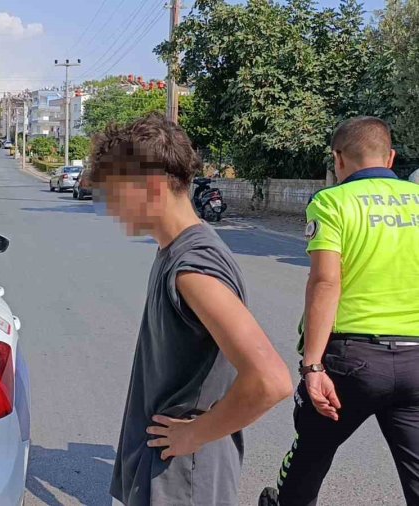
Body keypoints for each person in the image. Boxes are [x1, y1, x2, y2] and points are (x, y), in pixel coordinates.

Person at [91, 113, 292, 506]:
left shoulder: (193, 268)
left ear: (150, 188)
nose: (111, 209)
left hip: (183, 481)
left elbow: (271, 381)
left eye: (115, 194)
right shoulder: (174, 250)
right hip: (168, 470)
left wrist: (194, 434)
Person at [262, 116, 419, 506]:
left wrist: (313, 366)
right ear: (392, 156)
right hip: (416, 359)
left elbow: (326, 283)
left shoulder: (332, 202)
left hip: (353, 364)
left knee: (308, 460)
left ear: (338, 159)